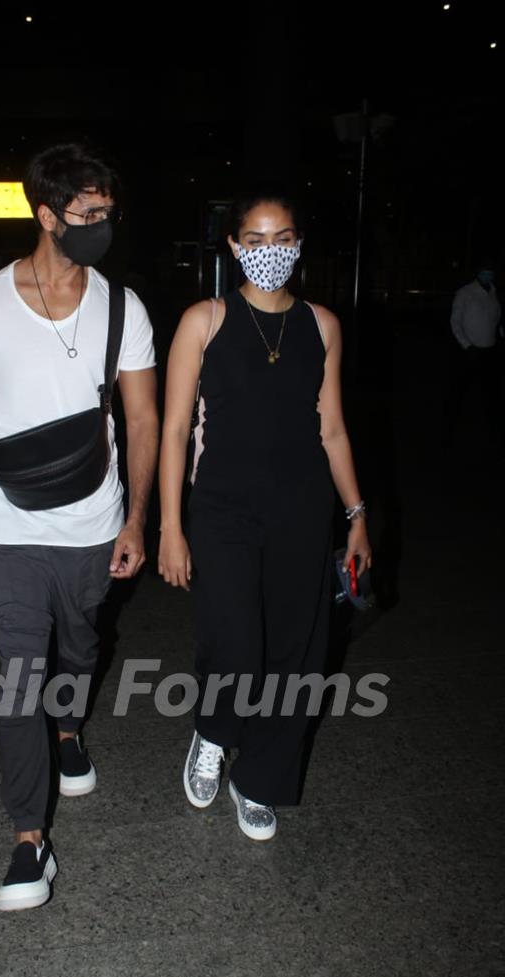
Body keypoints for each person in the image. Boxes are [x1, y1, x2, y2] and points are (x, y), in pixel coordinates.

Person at [0, 143, 158, 909]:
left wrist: (138, 519)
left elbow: (141, 418)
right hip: (6, 524)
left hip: (93, 520)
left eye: (108, 212)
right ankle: (29, 840)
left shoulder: (123, 306)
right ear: (46, 215)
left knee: (81, 644)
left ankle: (69, 728)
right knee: (17, 678)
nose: (101, 225)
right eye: (87, 213)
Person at [158, 187, 371, 841]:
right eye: (256, 238)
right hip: (222, 509)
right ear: (233, 246)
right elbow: (171, 433)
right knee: (235, 642)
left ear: (300, 245)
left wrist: (357, 514)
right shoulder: (205, 321)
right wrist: (170, 525)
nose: (270, 252)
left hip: (304, 510)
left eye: (283, 239)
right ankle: (214, 732)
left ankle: (261, 781)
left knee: (295, 655)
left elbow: (331, 430)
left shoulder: (323, 325)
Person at [445, 257, 503, 449]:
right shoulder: (465, 293)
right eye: (486, 270)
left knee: (491, 395)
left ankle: (493, 434)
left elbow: (496, 320)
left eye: (491, 270)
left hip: (489, 352)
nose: (489, 273)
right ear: (479, 271)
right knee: (458, 393)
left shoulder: (493, 292)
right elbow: (455, 322)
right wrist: (467, 345)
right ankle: (448, 433)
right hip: (470, 352)